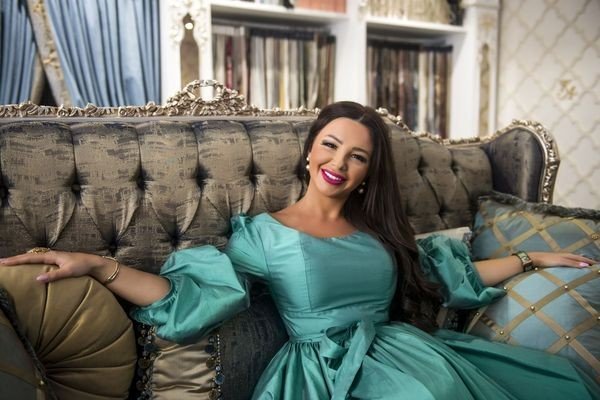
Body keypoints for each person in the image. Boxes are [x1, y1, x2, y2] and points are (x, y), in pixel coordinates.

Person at [1, 102, 598, 399]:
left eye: (357, 156)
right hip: (324, 373)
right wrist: (96, 267)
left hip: (408, 353)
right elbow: (190, 295)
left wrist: (532, 259)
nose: (339, 163)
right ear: (311, 150)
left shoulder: (380, 233)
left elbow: (444, 272)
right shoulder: (264, 233)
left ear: (367, 171)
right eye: (331, 147)